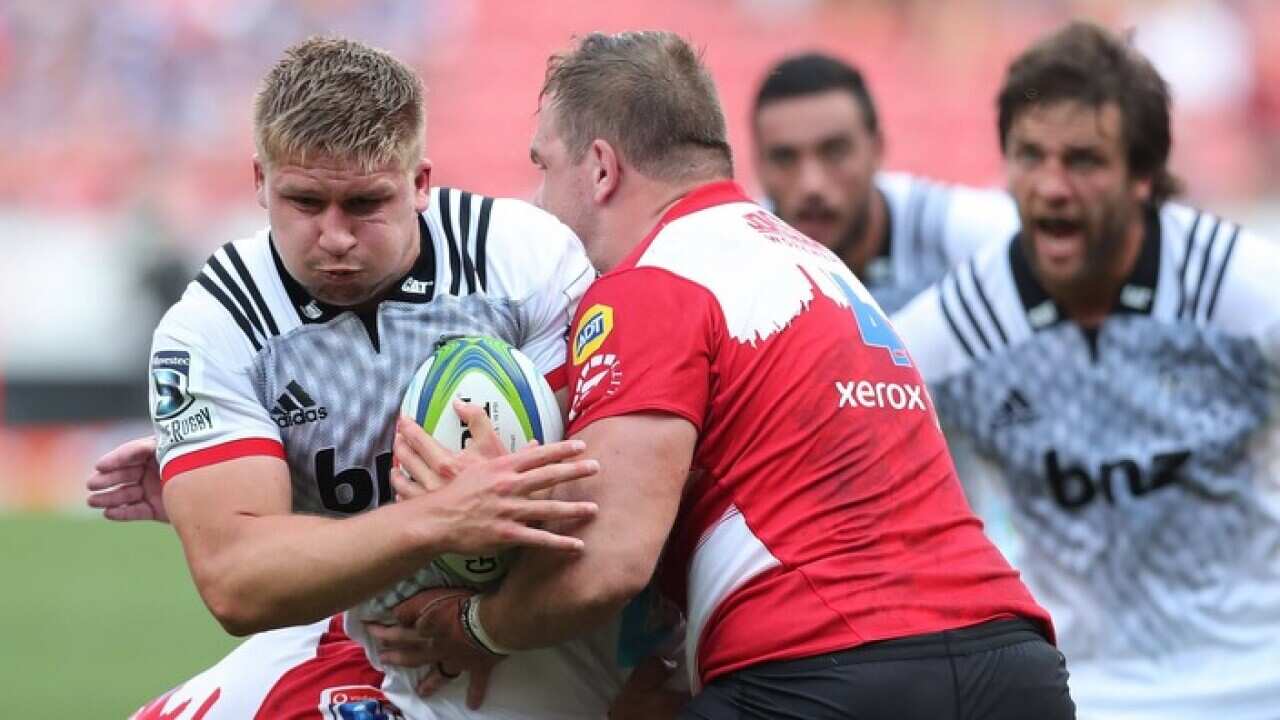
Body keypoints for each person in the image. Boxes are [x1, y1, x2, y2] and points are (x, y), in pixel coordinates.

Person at [393, 30, 1073, 719]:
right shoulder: (820, 266)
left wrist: (477, 625)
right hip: (1014, 667)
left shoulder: (652, 281)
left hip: (831, 672)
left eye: (546, 169)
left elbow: (609, 563)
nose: (539, 205)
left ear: (600, 169)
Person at [87, 35, 650, 720]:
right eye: (303, 202)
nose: (334, 237)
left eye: (363, 204)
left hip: (532, 619)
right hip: (359, 619)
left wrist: (479, 610)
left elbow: (592, 492)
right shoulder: (213, 327)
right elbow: (237, 584)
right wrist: (438, 518)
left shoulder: (522, 261)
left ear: (419, 183)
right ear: (260, 181)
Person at [891, 21, 1280, 719]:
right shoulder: (954, 332)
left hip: (1259, 676)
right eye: (1030, 156)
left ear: (1143, 176)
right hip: (1081, 691)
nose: (1051, 186)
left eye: (1083, 160)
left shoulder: (1242, 293)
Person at [752, 52, 1019, 313]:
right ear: (758, 165)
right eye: (784, 158)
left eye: (834, 152)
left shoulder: (967, 234)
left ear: (877, 149)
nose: (811, 185)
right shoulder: (736, 262)